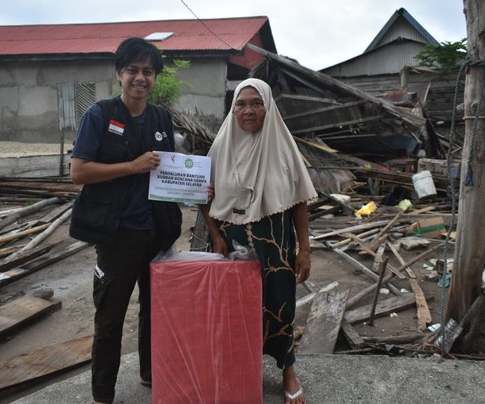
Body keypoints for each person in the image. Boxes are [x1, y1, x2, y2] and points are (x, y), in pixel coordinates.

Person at [69, 37, 180, 404]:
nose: (140, 78)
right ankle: (103, 395)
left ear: (154, 78)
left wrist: (196, 190)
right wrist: (131, 167)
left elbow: (172, 173)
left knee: (156, 313)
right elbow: (79, 172)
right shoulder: (99, 115)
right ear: (119, 74)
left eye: (147, 71)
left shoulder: (162, 117)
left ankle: (149, 375)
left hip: (158, 233)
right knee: (110, 319)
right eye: (132, 70)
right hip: (117, 235)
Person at [200, 78, 317, 404]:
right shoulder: (222, 145)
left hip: (276, 243)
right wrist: (214, 236)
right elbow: (200, 194)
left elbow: (299, 201)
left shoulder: (281, 145)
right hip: (230, 243)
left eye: (256, 103)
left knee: (280, 306)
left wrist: (304, 250)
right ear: (232, 108)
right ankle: (238, 371)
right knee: (233, 310)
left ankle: (287, 372)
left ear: (267, 105)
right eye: (241, 104)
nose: (248, 110)